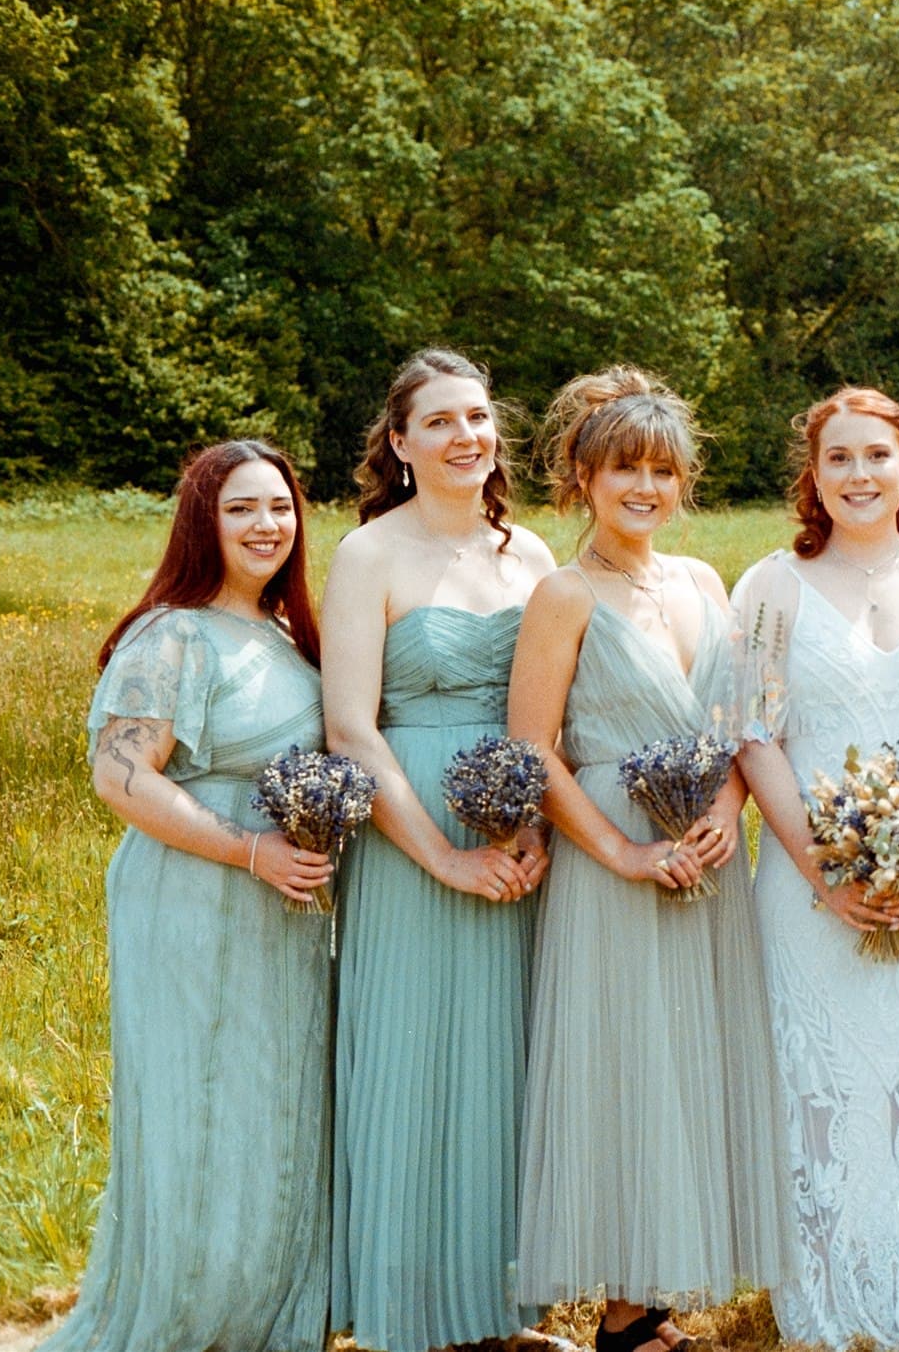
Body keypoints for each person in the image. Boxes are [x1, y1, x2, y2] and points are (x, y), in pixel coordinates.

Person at [511, 367, 784, 1352]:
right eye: (624, 469)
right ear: (581, 477)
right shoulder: (562, 594)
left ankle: (646, 1310)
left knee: (688, 1067)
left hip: (706, 861)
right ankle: (618, 1306)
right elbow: (533, 750)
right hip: (613, 860)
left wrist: (726, 808)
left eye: (662, 472)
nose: (644, 489)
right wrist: (624, 852)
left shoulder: (704, 583)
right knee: (623, 1067)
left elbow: (740, 725)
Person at [731, 387, 899, 1352]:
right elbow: (752, 734)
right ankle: (825, 1304)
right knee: (824, 1085)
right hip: (809, 885)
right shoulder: (770, 587)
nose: (858, 475)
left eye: (876, 456)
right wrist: (825, 871)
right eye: (837, 458)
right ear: (814, 475)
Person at [51, 440, 332, 1352]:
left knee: (268, 1106)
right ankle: (184, 1318)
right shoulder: (172, 631)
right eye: (243, 508)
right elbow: (120, 775)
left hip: (280, 908)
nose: (267, 526)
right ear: (203, 522)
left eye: (281, 507)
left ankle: (259, 1311)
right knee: (195, 1104)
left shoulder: (287, 634)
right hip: (193, 896)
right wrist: (251, 851)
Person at [323, 348, 560, 1352]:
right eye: (441, 421)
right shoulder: (367, 554)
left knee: (505, 1065)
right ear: (401, 443)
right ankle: (403, 1313)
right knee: (410, 1057)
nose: (467, 435)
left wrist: (529, 827)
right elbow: (348, 729)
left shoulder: (534, 557)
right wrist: (442, 856)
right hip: (407, 831)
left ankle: (497, 1311)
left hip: (514, 837)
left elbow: (554, 714)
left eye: (478, 416)